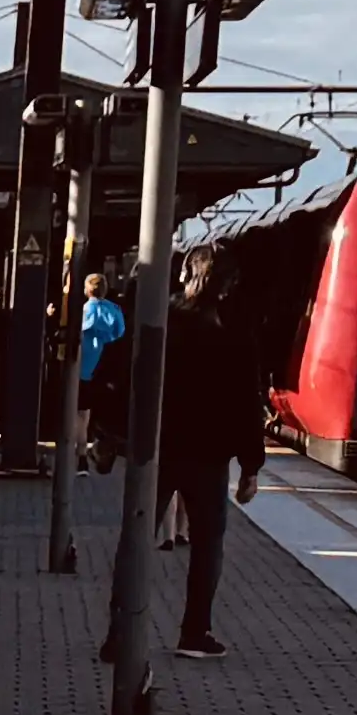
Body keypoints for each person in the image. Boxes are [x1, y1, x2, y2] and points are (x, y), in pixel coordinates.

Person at [153, 249, 268, 656]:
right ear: (228, 284)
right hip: (208, 454)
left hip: (159, 447)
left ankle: (120, 631)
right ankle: (194, 633)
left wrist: (111, 438)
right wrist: (251, 465)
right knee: (207, 545)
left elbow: (137, 375)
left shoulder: (164, 316)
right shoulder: (236, 328)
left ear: (185, 273)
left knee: (136, 537)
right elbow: (246, 400)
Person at [70, 269, 128, 470]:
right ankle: (101, 453)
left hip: (84, 369)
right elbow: (121, 334)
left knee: (81, 416)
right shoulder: (116, 311)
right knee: (100, 417)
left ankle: (80, 458)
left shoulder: (83, 312)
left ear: (87, 290)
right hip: (108, 372)